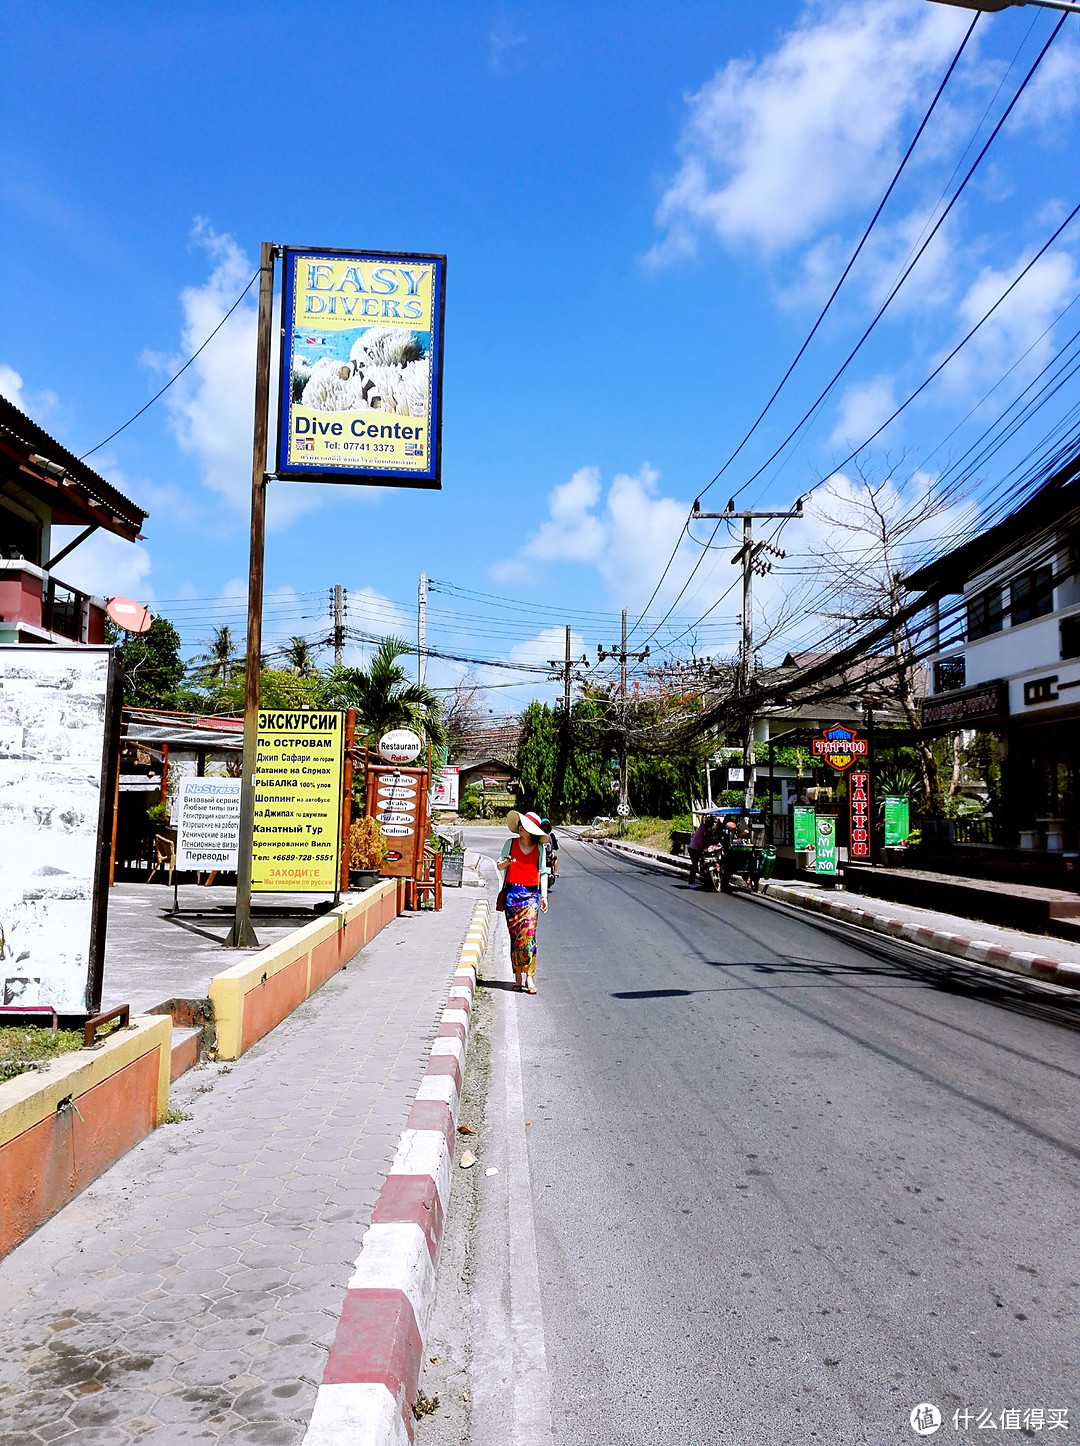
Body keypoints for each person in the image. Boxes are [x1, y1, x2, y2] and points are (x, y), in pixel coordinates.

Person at [497, 810, 549, 994]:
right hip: (512, 895)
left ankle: (529, 976)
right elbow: (499, 864)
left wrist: (544, 896)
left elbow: (543, 872)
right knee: (516, 937)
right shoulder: (510, 844)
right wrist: (507, 863)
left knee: (529, 935)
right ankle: (517, 976)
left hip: (531, 895)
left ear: (532, 830)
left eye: (525, 825)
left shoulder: (540, 849)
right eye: (520, 823)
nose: (520, 827)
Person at [687, 814, 708, 885]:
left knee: (696, 864)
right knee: (695, 865)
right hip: (695, 849)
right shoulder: (704, 829)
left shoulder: (701, 827)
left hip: (693, 848)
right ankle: (691, 882)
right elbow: (705, 839)